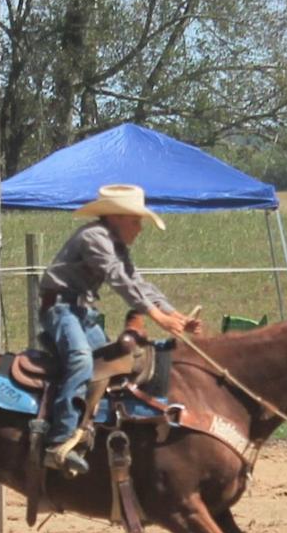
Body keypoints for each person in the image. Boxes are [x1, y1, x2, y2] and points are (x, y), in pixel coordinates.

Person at [38, 183, 203, 473]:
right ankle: (59, 439)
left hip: (83, 312)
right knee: (80, 358)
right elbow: (120, 280)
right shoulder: (94, 237)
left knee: (111, 364)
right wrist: (155, 316)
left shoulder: (115, 245)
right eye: (136, 220)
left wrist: (174, 315)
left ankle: (91, 427)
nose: (139, 228)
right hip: (60, 309)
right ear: (116, 217)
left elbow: (137, 282)